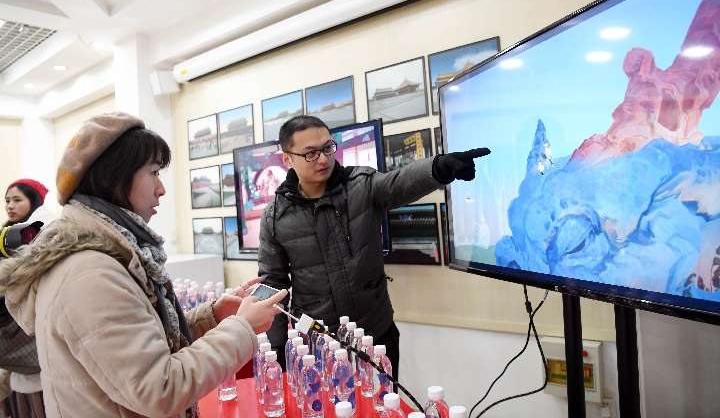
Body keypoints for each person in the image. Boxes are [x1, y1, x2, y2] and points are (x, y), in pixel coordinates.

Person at [0, 112, 287, 418]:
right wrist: (242, 329)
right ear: (112, 178)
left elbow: (142, 344)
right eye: (153, 172)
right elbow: (159, 389)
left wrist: (212, 317)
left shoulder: (105, 256)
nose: (161, 188)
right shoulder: (89, 273)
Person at [257, 115, 489, 377]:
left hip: (376, 334)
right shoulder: (275, 217)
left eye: (327, 148)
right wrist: (276, 347)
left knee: (384, 399)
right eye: (310, 153)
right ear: (287, 159)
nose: (323, 159)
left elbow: (400, 182)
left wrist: (439, 168)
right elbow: (272, 284)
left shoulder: (361, 185)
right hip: (317, 345)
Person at [1, 179, 55, 418]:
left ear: (34, 201)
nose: (10, 206)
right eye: (7, 201)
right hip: (14, 341)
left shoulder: (44, 232)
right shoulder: (9, 235)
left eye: (17, 200)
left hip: (30, 336)